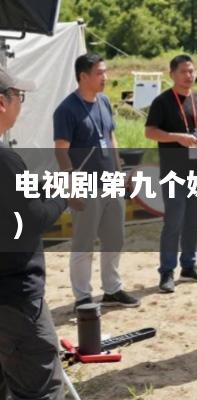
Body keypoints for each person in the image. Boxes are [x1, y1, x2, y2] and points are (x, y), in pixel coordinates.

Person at [54, 53, 140, 309]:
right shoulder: (66, 110)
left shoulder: (103, 101)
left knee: (115, 239)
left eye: (105, 71)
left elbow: (110, 138)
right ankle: (82, 296)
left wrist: (120, 173)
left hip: (111, 181)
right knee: (84, 242)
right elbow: (60, 150)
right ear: (83, 76)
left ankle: (112, 290)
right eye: (100, 73)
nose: (106, 77)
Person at [0, 66, 65, 399]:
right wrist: (63, 194)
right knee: (39, 389)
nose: (20, 104)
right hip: (14, 300)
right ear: (2, 103)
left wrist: (41, 185)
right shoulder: (6, 161)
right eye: (19, 96)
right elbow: (31, 219)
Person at [145, 54, 197, 293]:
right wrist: (177, 138)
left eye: (192, 71)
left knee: (194, 222)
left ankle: (189, 265)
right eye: (184, 71)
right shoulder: (162, 102)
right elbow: (150, 132)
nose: (189, 76)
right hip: (173, 173)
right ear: (172, 74)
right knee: (173, 222)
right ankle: (166, 271)